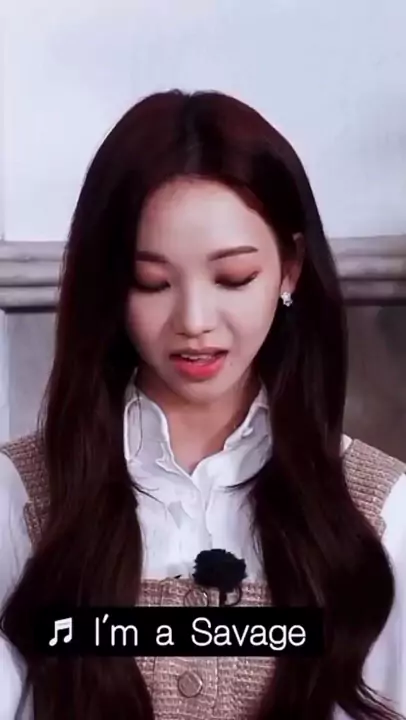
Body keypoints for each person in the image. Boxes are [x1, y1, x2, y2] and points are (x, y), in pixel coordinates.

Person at [0, 90, 405, 720]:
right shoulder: (21, 499)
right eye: (152, 282)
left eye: (233, 278)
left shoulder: (378, 513)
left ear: (290, 268)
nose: (194, 321)